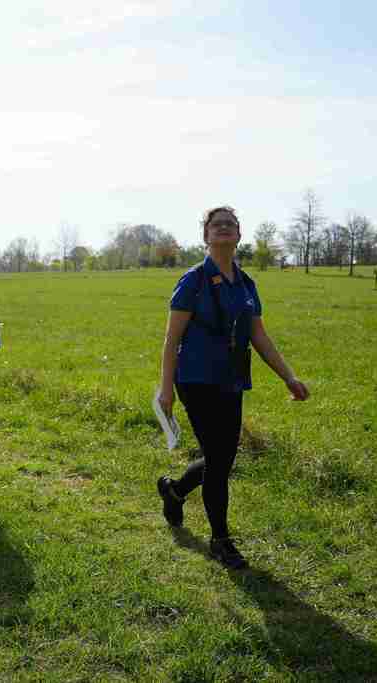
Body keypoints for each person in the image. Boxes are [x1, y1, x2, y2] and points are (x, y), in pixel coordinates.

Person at [156, 205, 310, 570]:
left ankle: (175, 491)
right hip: (195, 379)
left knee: (221, 458)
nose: (223, 229)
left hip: (232, 379)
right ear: (206, 235)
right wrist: (166, 390)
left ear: (239, 235)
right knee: (220, 458)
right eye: (216, 224)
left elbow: (258, 335)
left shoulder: (246, 284)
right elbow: (171, 338)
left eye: (230, 224)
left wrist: (289, 376)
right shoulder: (192, 281)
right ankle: (221, 540)